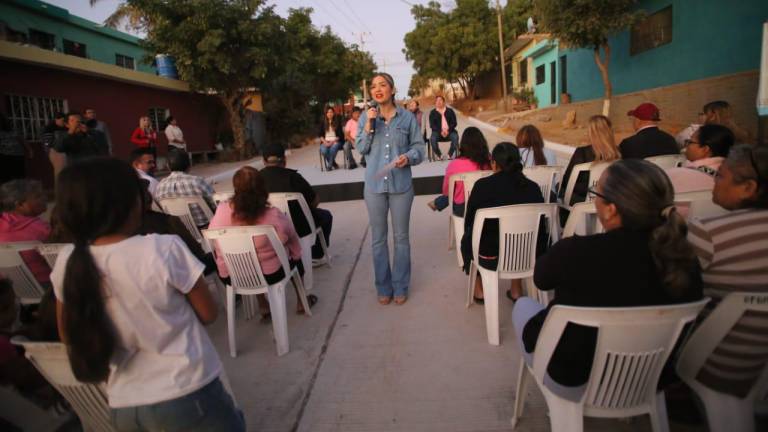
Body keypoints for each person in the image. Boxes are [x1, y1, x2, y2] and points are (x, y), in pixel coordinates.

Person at [50, 157, 244, 431]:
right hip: (187, 394)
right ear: (130, 204)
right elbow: (209, 313)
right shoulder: (163, 248)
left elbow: (67, 334)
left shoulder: (67, 261)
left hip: (124, 405)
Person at [514, 159, 703, 388]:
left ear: (612, 209)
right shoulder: (684, 257)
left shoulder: (575, 252)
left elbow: (541, 280)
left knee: (523, 305)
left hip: (575, 374)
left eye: (596, 194)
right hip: (651, 376)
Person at [687, 145, 767, 397]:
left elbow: (670, 289)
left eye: (720, 175)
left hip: (717, 369)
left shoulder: (708, 233)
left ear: (748, 188)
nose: (713, 182)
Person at [208, 166, 317, 316]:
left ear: (235, 188)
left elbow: (213, 238)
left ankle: (262, 304)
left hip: (232, 276)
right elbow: (291, 239)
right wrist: (295, 255)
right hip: (270, 275)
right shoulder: (272, 215)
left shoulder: (221, 211)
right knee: (294, 256)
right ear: (262, 188)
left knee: (249, 260)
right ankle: (301, 300)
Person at [356, 72, 425, 305]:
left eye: (382, 85)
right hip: (374, 187)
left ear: (393, 90)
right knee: (378, 239)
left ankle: (400, 285)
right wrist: (368, 125)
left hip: (401, 186)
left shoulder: (406, 118)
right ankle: (383, 286)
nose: (377, 89)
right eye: (373, 86)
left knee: (401, 238)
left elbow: (419, 148)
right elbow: (361, 149)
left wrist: (409, 156)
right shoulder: (367, 118)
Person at [460, 142, 544, 303]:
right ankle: (516, 289)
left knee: (470, 237)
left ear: (494, 163)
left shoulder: (482, 186)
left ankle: (480, 291)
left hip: (490, 256)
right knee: (520, 236)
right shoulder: (533, 187)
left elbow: (469, 221)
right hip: (528, 254)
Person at [260, 143, 333, 261]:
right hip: (298, 226)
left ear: (264, 161)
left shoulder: (255, 179)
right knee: (325, 216)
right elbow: (314, 201)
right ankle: (316, 255)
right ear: (284, 160)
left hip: (267, 227)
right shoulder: (294, 177)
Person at [559, 115, 621, 206]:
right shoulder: (619, 152)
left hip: (583, 200)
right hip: (610, 199)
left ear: (591, 132)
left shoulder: (582, 152)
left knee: (559, 187)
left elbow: (568, 181)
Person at [427, 126, 491, 214]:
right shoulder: (489, 161)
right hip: (486, 206)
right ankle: (437, 203)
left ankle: (437, 203)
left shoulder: (455, 164)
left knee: (454, 192)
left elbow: (446, 191)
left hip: (463, 209)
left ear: (463, 144)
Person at [0, 179, 51, 286]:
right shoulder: (42, 229)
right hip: (45, 287)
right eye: (38, 196)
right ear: (20, 205)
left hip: (9, 288)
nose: (45, 197)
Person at [666, 124, 734, 193]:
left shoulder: (674, 176)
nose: (686, 146)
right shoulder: (736, 179)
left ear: (705, 149)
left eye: (690, 142)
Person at [155, 150, 216, 227]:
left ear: (168, 166)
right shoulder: (197, 181)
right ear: (189, 164)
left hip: (179, 230)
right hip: (206, 227)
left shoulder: (160, 186)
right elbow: (215, 204)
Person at [0, 113, 32, 184]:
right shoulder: (11, 130)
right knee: (11, 178)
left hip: (15, 155)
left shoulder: (12, 129)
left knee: (17, 177)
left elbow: (22, 140)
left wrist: (30, 150)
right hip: (10, 155)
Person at [428, 95, 459, 160]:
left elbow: (454, 123)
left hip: (450, 131)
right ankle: (439, 155)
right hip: (437, 132)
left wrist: (448, 130)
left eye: (440, 100)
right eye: (437, 101)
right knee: (432, 139)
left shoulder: (450, 111)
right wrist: (441, 131)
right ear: (435, 103)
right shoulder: (433, 112)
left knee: (455, 137)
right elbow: (432, 125)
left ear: (444, 102)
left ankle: (450, 154)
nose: (438, 102)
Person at [41, 112, 68, 184]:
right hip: (56, 152)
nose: (64, 122)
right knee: (60, 173)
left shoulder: (66, 128)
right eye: (62, 120)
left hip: (65, 152)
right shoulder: (49, 128)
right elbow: (47, 143)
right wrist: (49, 153)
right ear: (56, 119)